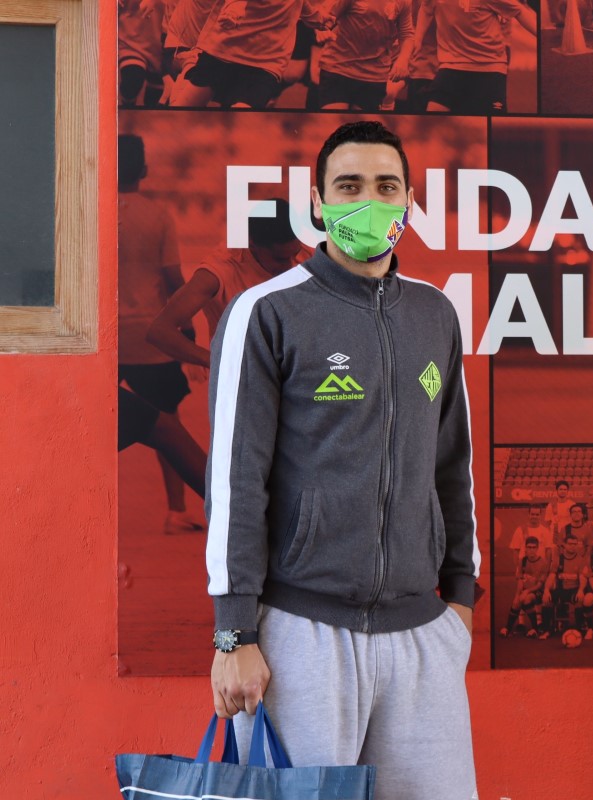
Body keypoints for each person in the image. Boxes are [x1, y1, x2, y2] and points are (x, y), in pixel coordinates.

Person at [206, 121, 482, 800]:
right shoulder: (268, 312)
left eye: (386, 186)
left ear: (409, 201)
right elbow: (235, 479)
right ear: (318, 203)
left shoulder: (434, 313)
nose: (368, 201)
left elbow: (451, 463)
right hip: (303, 635)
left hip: (419, 634)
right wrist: (235, 633)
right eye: (349, 186)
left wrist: (460, 599)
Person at [118, 133, 202, 535]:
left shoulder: (90, 211)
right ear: (145, 170)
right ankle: (176, 511)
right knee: (167, 422)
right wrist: (186, 326)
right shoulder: (157, 216)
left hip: (102, 337)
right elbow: (172, 278)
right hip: (147, 335)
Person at [147, 198, 304, 372]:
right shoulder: (218, 272)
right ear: (252, 243)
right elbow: (160, 331)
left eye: (294, 254)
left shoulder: (305, 251)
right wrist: (221, 363)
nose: (290, 265)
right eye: (279, 259)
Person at [169, 0, 329, 109]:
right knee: (184, 111)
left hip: (266, 63)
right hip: (224, 52)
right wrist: (234, 8)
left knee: (242, 115)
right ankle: (183, 79)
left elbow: (303, 6)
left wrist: (322, 20)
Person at [429, 0, 537, 115]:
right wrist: (418, 40)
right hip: (452, 63)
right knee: (434, 114)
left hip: (489, 64)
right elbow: (426, 8)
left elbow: (519, 10)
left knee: (487, 116)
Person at [316, 0, 415, 111]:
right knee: (334, 120)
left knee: (362, 122)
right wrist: (321, 30)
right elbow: (322, 16)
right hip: (338, 67)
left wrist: (403, 59)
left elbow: (407, 34)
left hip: (374, 75)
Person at [503, 536, 551, 637]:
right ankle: (507, 629)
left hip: (538, 592)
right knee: (516, 602)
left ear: (537, 548)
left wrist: (527, 591)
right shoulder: (523, 561)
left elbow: (539, 585)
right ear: (525, 548)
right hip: (526, 590)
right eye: (529, 547)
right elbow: (521, 580)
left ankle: (535, 629)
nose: (531, 550)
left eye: (534, 547)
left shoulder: (543, 563)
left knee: (526, 599)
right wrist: (517, 595)